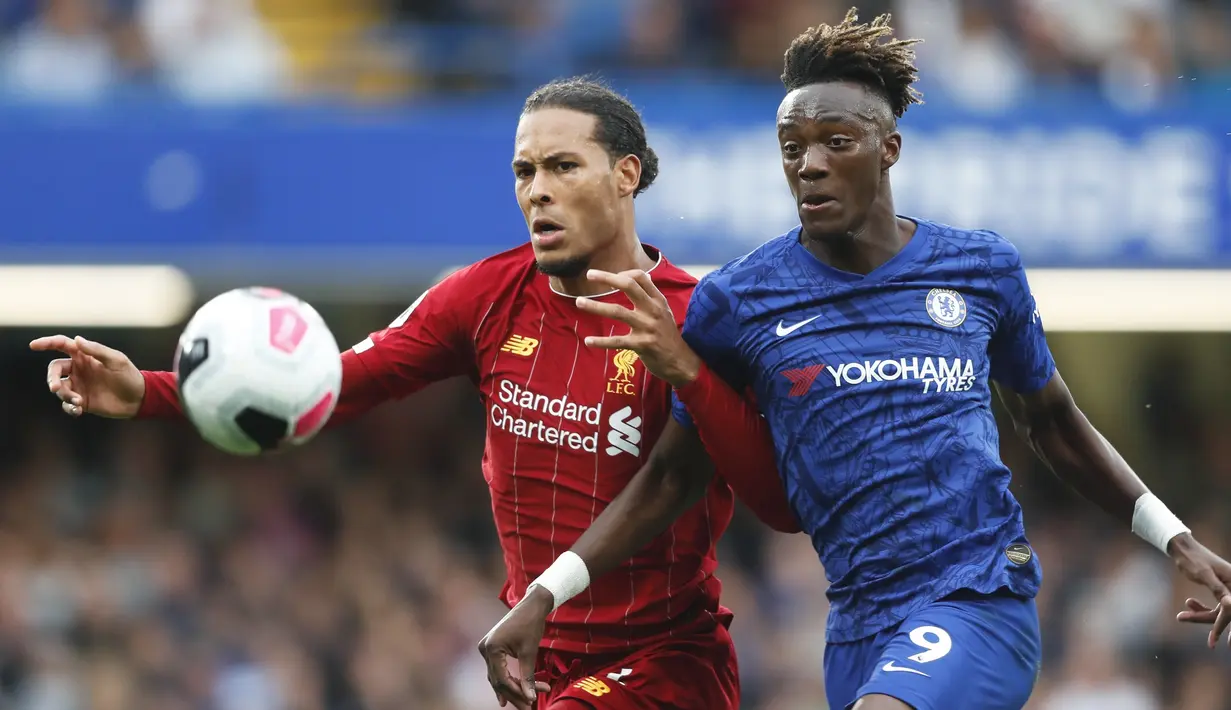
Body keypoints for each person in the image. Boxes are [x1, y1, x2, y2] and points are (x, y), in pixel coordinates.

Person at [477, 10, 1231, 710]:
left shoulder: (977, 269)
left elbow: (1053, 421)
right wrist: (542, 597)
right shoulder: (738, 302)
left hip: (977, 598)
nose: (808, 165)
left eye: (835, 143)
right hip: (858, 627)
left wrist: (1176, 538)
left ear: (887, 148)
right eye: (791, 149)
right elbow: (672, 477)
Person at [30, 77, 799, 710]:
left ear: (625, 174)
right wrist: (151, 393)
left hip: (664, 666)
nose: (537, 191)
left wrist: (540, 595)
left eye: (563, 167)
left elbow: (703, 484)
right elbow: (341, 381)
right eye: (524, 172)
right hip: (538, 660)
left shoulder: (696, 315)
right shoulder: (485, 294)